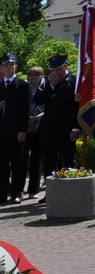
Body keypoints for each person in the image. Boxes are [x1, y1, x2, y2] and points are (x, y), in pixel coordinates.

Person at [0, 53, 30, 204]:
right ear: (2, 69)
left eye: (12, 65)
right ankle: (2, 193)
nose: (9, 68)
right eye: (6, 66)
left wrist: (23, 130)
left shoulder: (23, 86)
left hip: (16, 132)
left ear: (16, 67)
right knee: (2, 165)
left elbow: (25, 110)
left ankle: (17, 192)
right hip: (0, 132)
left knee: (18, 164)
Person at [34, 54, 81, 193]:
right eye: (52, 70)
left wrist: (75, 128)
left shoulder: (73, 82)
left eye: (57, 70)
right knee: (49, 162)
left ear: (65, 67)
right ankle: (51, 193)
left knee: (68, 161)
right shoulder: (47, 83)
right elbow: (38, 100)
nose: (54, 73)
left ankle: (69, 192)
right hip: (50, 130)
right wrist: (51, 87)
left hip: (67, 130)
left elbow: (77, 107)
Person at [23, 67, 46, 198]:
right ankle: (18, 190)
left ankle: (33, 191)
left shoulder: (44, 92)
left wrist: (38, 117)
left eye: (37, 75)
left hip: (38, 130)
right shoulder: (23, 91)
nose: (34, 77)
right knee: (21, 161)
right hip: (24, 130)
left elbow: (48, 109)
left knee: (36, 162)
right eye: (32, 75)